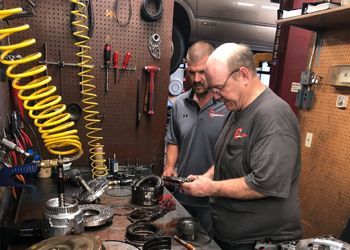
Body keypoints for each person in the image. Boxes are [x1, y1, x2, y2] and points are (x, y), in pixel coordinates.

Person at [181, 43, 302, 249]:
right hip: (231, 237)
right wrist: (207, 176)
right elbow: (227, 157)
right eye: (212, 90)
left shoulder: (272, 116)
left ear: (243, 75)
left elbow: (265, 183)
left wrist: (211, 188)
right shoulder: (237, 110)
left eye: (219, 88)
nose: (216, 96)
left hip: (258, 241)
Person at [163, 41, 229, 234]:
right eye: (192, 72)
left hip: (214, 200)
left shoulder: (228, 105)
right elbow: (174, 140)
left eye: (202, 72)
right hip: (182, 194)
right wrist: (169, 167)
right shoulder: (180, 104)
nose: (197, 78)